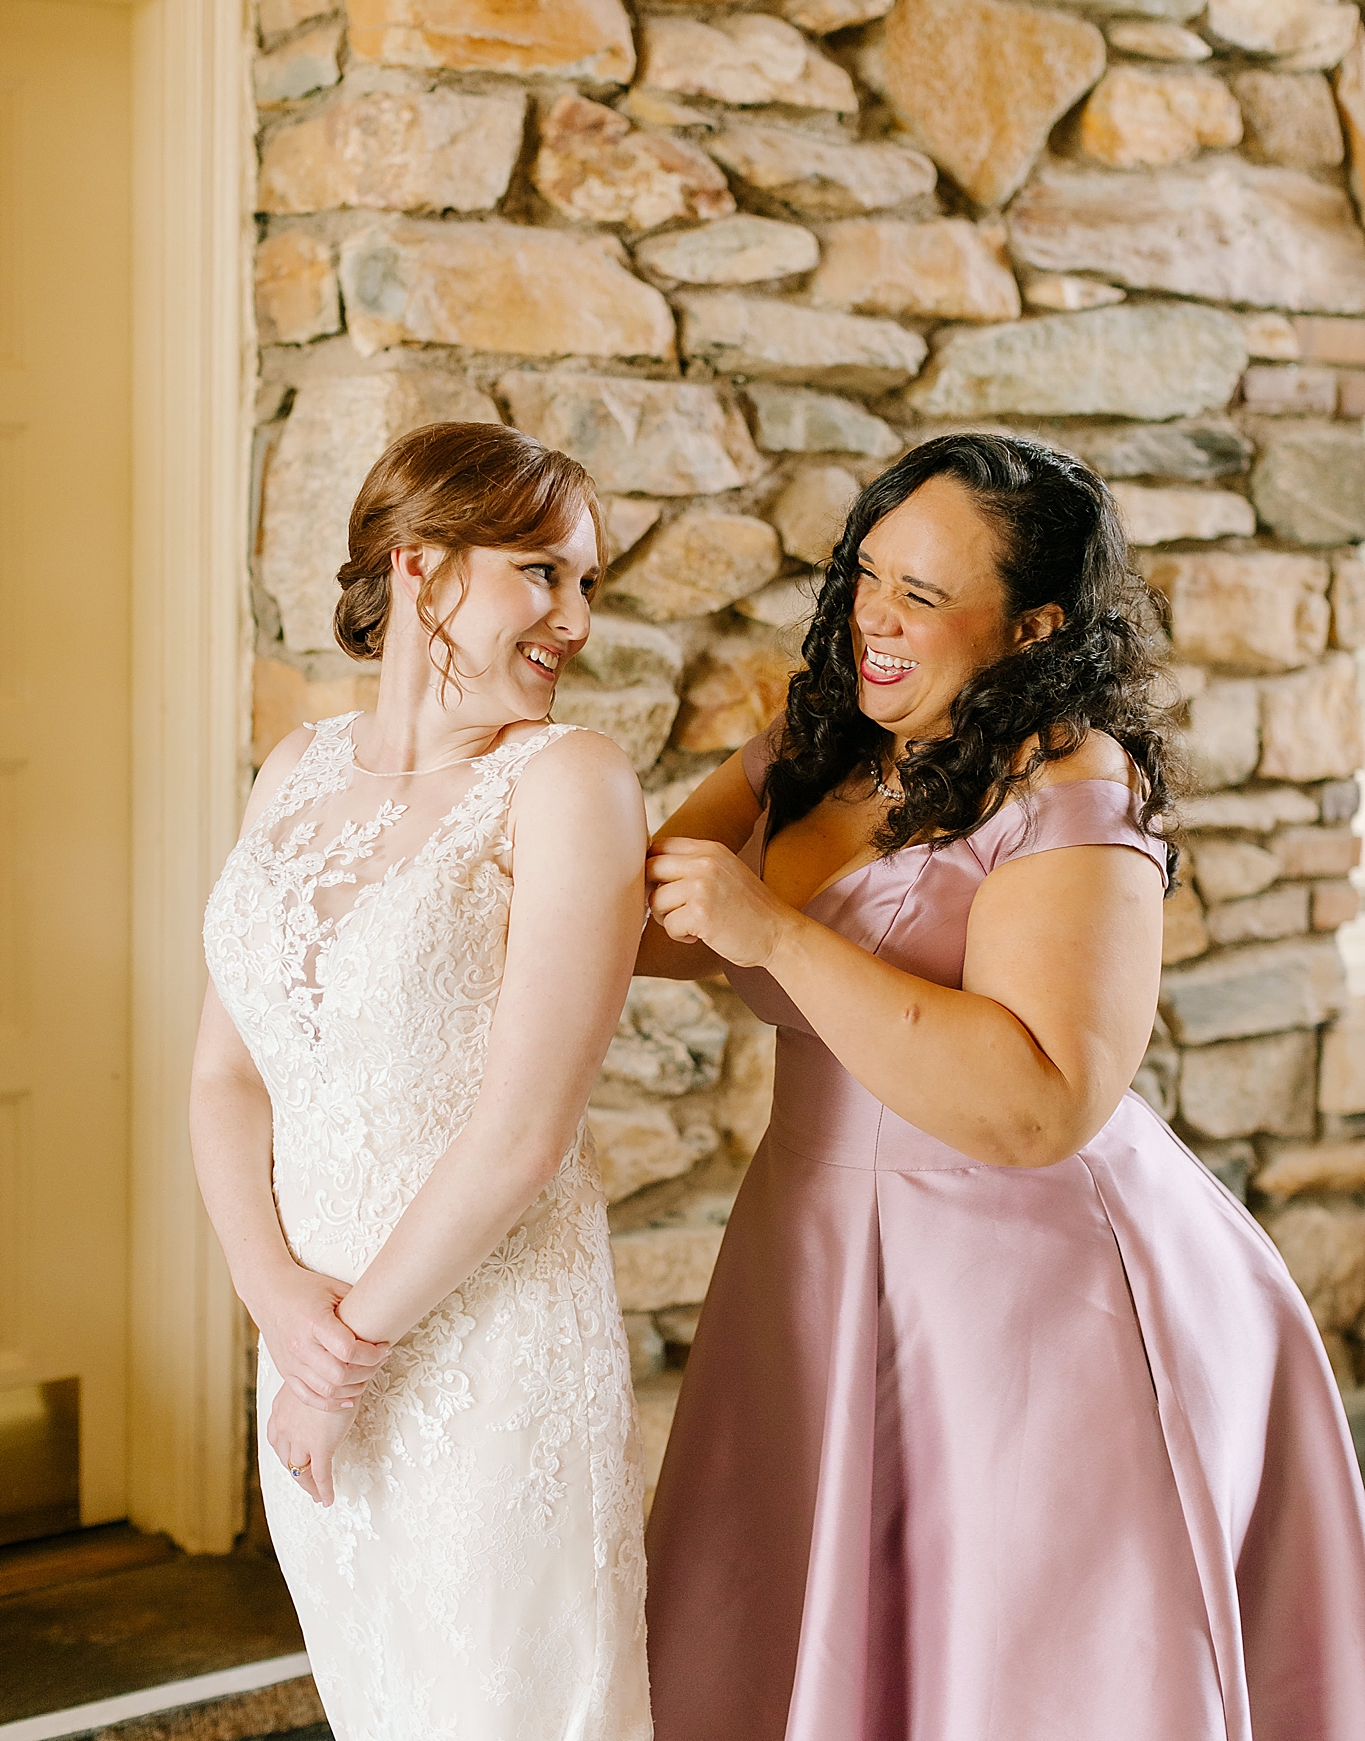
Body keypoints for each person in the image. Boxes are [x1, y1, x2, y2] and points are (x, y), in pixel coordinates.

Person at [640, 432, 1365, 1741]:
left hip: (1021, 1283)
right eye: (868, 575)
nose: (874, 619)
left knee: (1006, 1670)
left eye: (922, 595)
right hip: (809, 1245)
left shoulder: (1070, 783)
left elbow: (1041, 1102)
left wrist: (776, 935)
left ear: (1033, 625)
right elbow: (648, 917)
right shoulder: (815, 744)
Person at [192, 422, 652, 1741]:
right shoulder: (297, 768)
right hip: (308, 1340)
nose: (572, 618)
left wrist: (344, 1361)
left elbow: (520, 1134)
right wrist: (275, 1297)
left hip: (486, 1359)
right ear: (421, 568)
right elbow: (225, 1074)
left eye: (586, 585)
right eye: (541, 574)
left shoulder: (567, 784)